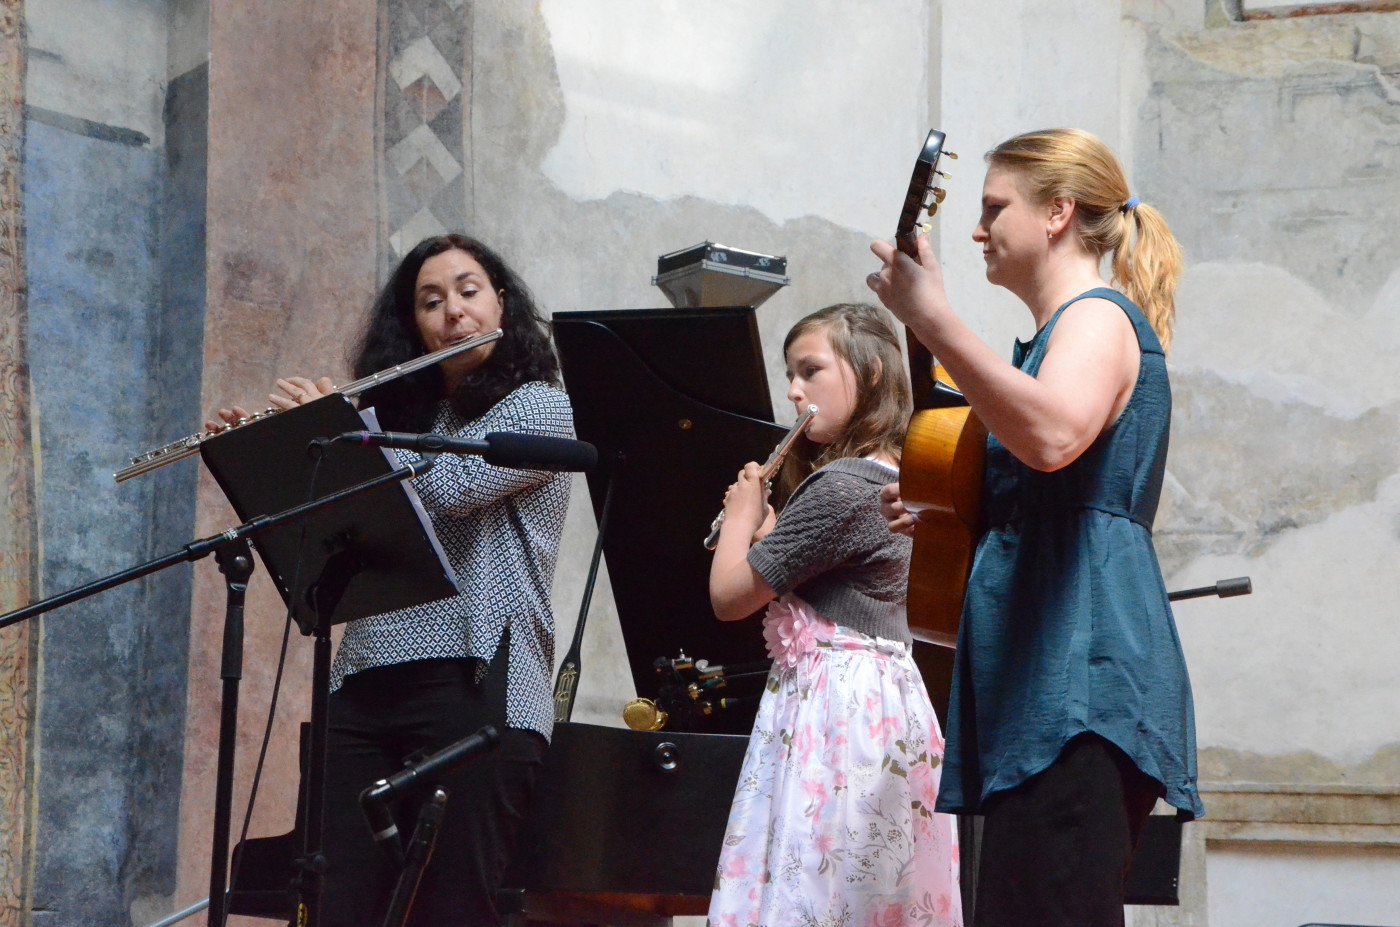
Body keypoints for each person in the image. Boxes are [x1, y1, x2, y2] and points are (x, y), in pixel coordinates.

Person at [866, 128, 1203, 927]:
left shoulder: (1098, 317)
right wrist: (957, 512)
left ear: (1058, 213)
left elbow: (1052, 437)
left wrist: (935, 320)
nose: (978, 230)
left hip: (1081, 676)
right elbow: (1045, 471)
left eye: (994, 209)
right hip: (1045, 677)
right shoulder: (1054, 339)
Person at [212, 233, 572, 926]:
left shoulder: (538, 409)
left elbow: (448, 488)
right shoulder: (399, 423)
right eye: (430, 302)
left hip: (476, 680)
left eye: (468, 291)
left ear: (501, 303)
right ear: (412, 327)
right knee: (335, 906)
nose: (453, 312)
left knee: (449, 910)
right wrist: (274, 451)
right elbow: (330, 528)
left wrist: (347, 433)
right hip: (364, 682)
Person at [706, 302, 962, 927]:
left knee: (818, 890)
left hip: (835, 711)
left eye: (811, 370)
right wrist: (772, 534)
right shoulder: (902, 479)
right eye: (790, 375)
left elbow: (730, 597)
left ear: (870, 372)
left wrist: (740, 517)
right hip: (884, 705)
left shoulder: (843, 485)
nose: (795, 391)